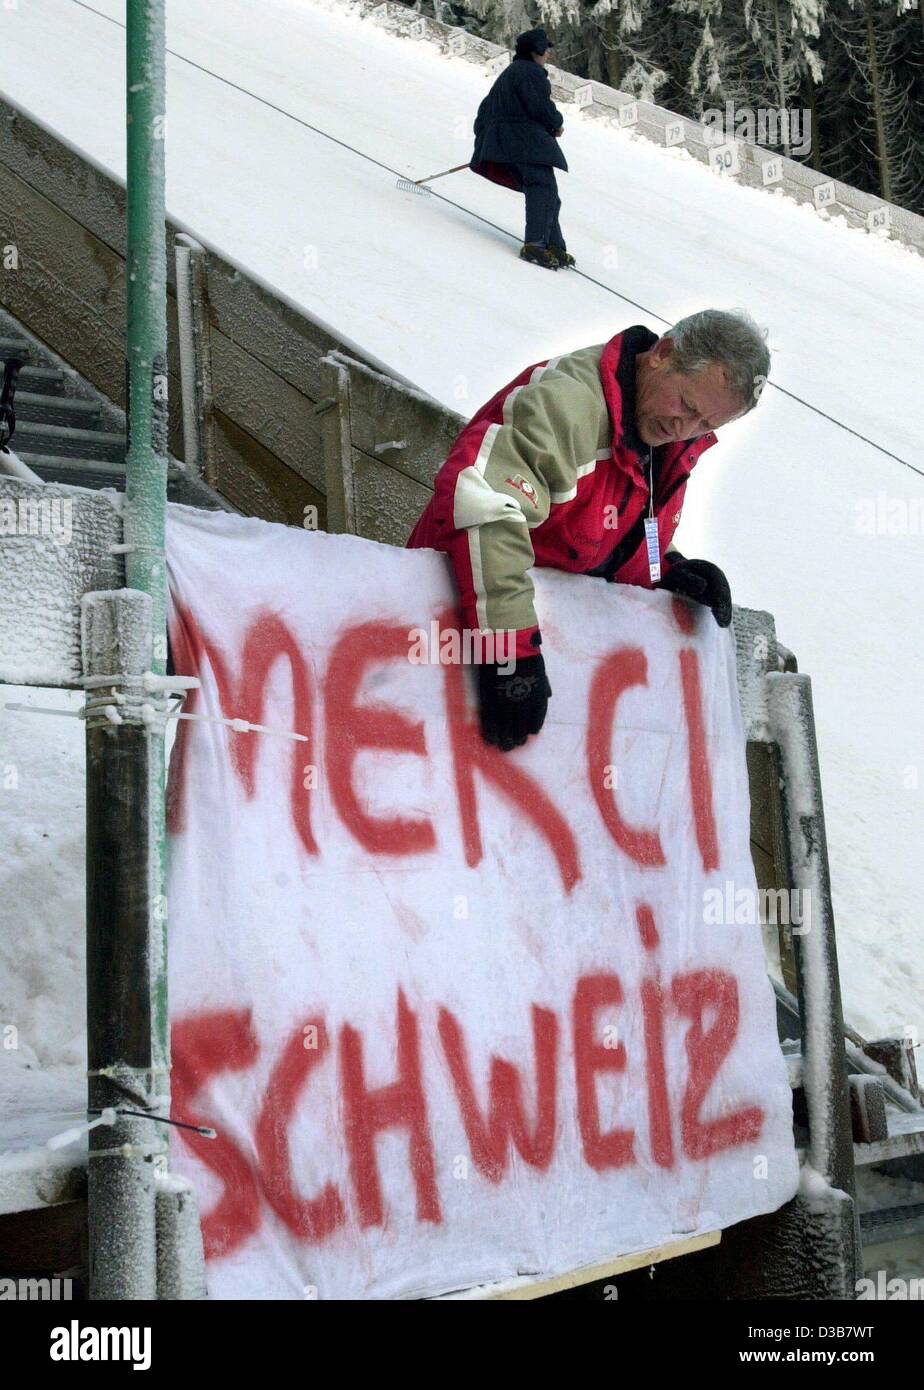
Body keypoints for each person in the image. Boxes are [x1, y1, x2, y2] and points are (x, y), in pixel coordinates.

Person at [407, 309, 770, 751]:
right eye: (688, 406)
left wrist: (666, 568)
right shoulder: (566, 405)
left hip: (538, 663)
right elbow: (486, 510)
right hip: (442, 637)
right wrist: (509, 654)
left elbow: (614, 523)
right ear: (664, 354)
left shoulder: (660, 434)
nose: (685, 430)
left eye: (707, 425)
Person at [470, 28, 572, 270]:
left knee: (547, 193)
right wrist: (556, 123)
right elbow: (540, 106)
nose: (548, 52)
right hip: (525, 142)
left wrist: (488, 143)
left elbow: (484, 112)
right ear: (535, 50)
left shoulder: (509, 74)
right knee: (542, 186)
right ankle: (536, 244)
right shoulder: (529, 72)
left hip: (506, 144)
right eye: (545, 48)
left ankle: (554, 245)